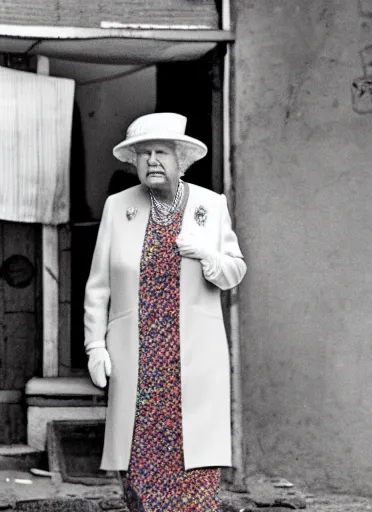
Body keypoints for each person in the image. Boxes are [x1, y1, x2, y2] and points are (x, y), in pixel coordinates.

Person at [83, 112, 247, 511]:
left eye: (161, 152)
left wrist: (209, 254)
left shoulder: (211, 204)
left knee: (195, 471)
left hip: (192, 360)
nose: (152, 161)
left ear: (180, 161)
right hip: (138, 362)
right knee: (140, 470)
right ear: (133, 163)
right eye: (143, 154)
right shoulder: (117, 207)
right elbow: (99, 284)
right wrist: (95, 346)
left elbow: (234, 272)